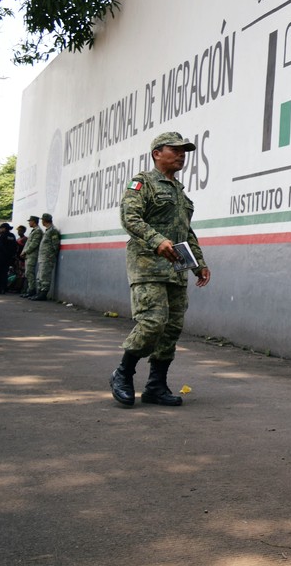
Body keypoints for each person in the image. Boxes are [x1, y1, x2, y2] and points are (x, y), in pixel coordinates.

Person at [109, 131, 211, 408]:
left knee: (171, 328)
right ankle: (123, 373)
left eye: (184, 151)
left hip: (176, 269)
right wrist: (157, 241)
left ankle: (156, 386)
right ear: (157, 153)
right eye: (174, 150)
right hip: (148, 267)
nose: (181, 155)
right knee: (153, 322)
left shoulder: (179, 192)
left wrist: (198, 264)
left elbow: (185, 232)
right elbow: (130, 218)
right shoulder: (143, 183)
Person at [31, 213, 61, 301]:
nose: (42, 222)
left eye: (42, 220)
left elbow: (55, 245)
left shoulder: (53, 231)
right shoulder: (47, 231)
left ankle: (43, 293)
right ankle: (40, 292)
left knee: (45, 276)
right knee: (40, 276)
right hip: (43, 257)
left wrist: (51, 255)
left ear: (45, 221)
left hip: (48, 257)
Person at [19, 215, 42, 298]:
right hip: (29, 254)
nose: (29, 223)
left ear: (34, 222)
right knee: (28, 273)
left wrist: (25, 251)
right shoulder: (34, 231)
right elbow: (29, 243)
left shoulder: (38, 231)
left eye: (30, 221)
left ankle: (31, 290)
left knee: (29, 272)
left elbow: (34, 244)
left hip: (32, 254)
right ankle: (29, 289)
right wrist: (24, 252)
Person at [0, 223, 17, 294]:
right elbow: (15, 246)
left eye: (1, 228)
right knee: (5, 272)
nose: (0, 229)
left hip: (0, 257)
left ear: (4, 228)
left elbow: (0, 246)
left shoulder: (2, 236)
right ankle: (4, 288)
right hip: (8, 257)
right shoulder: (12, 236)